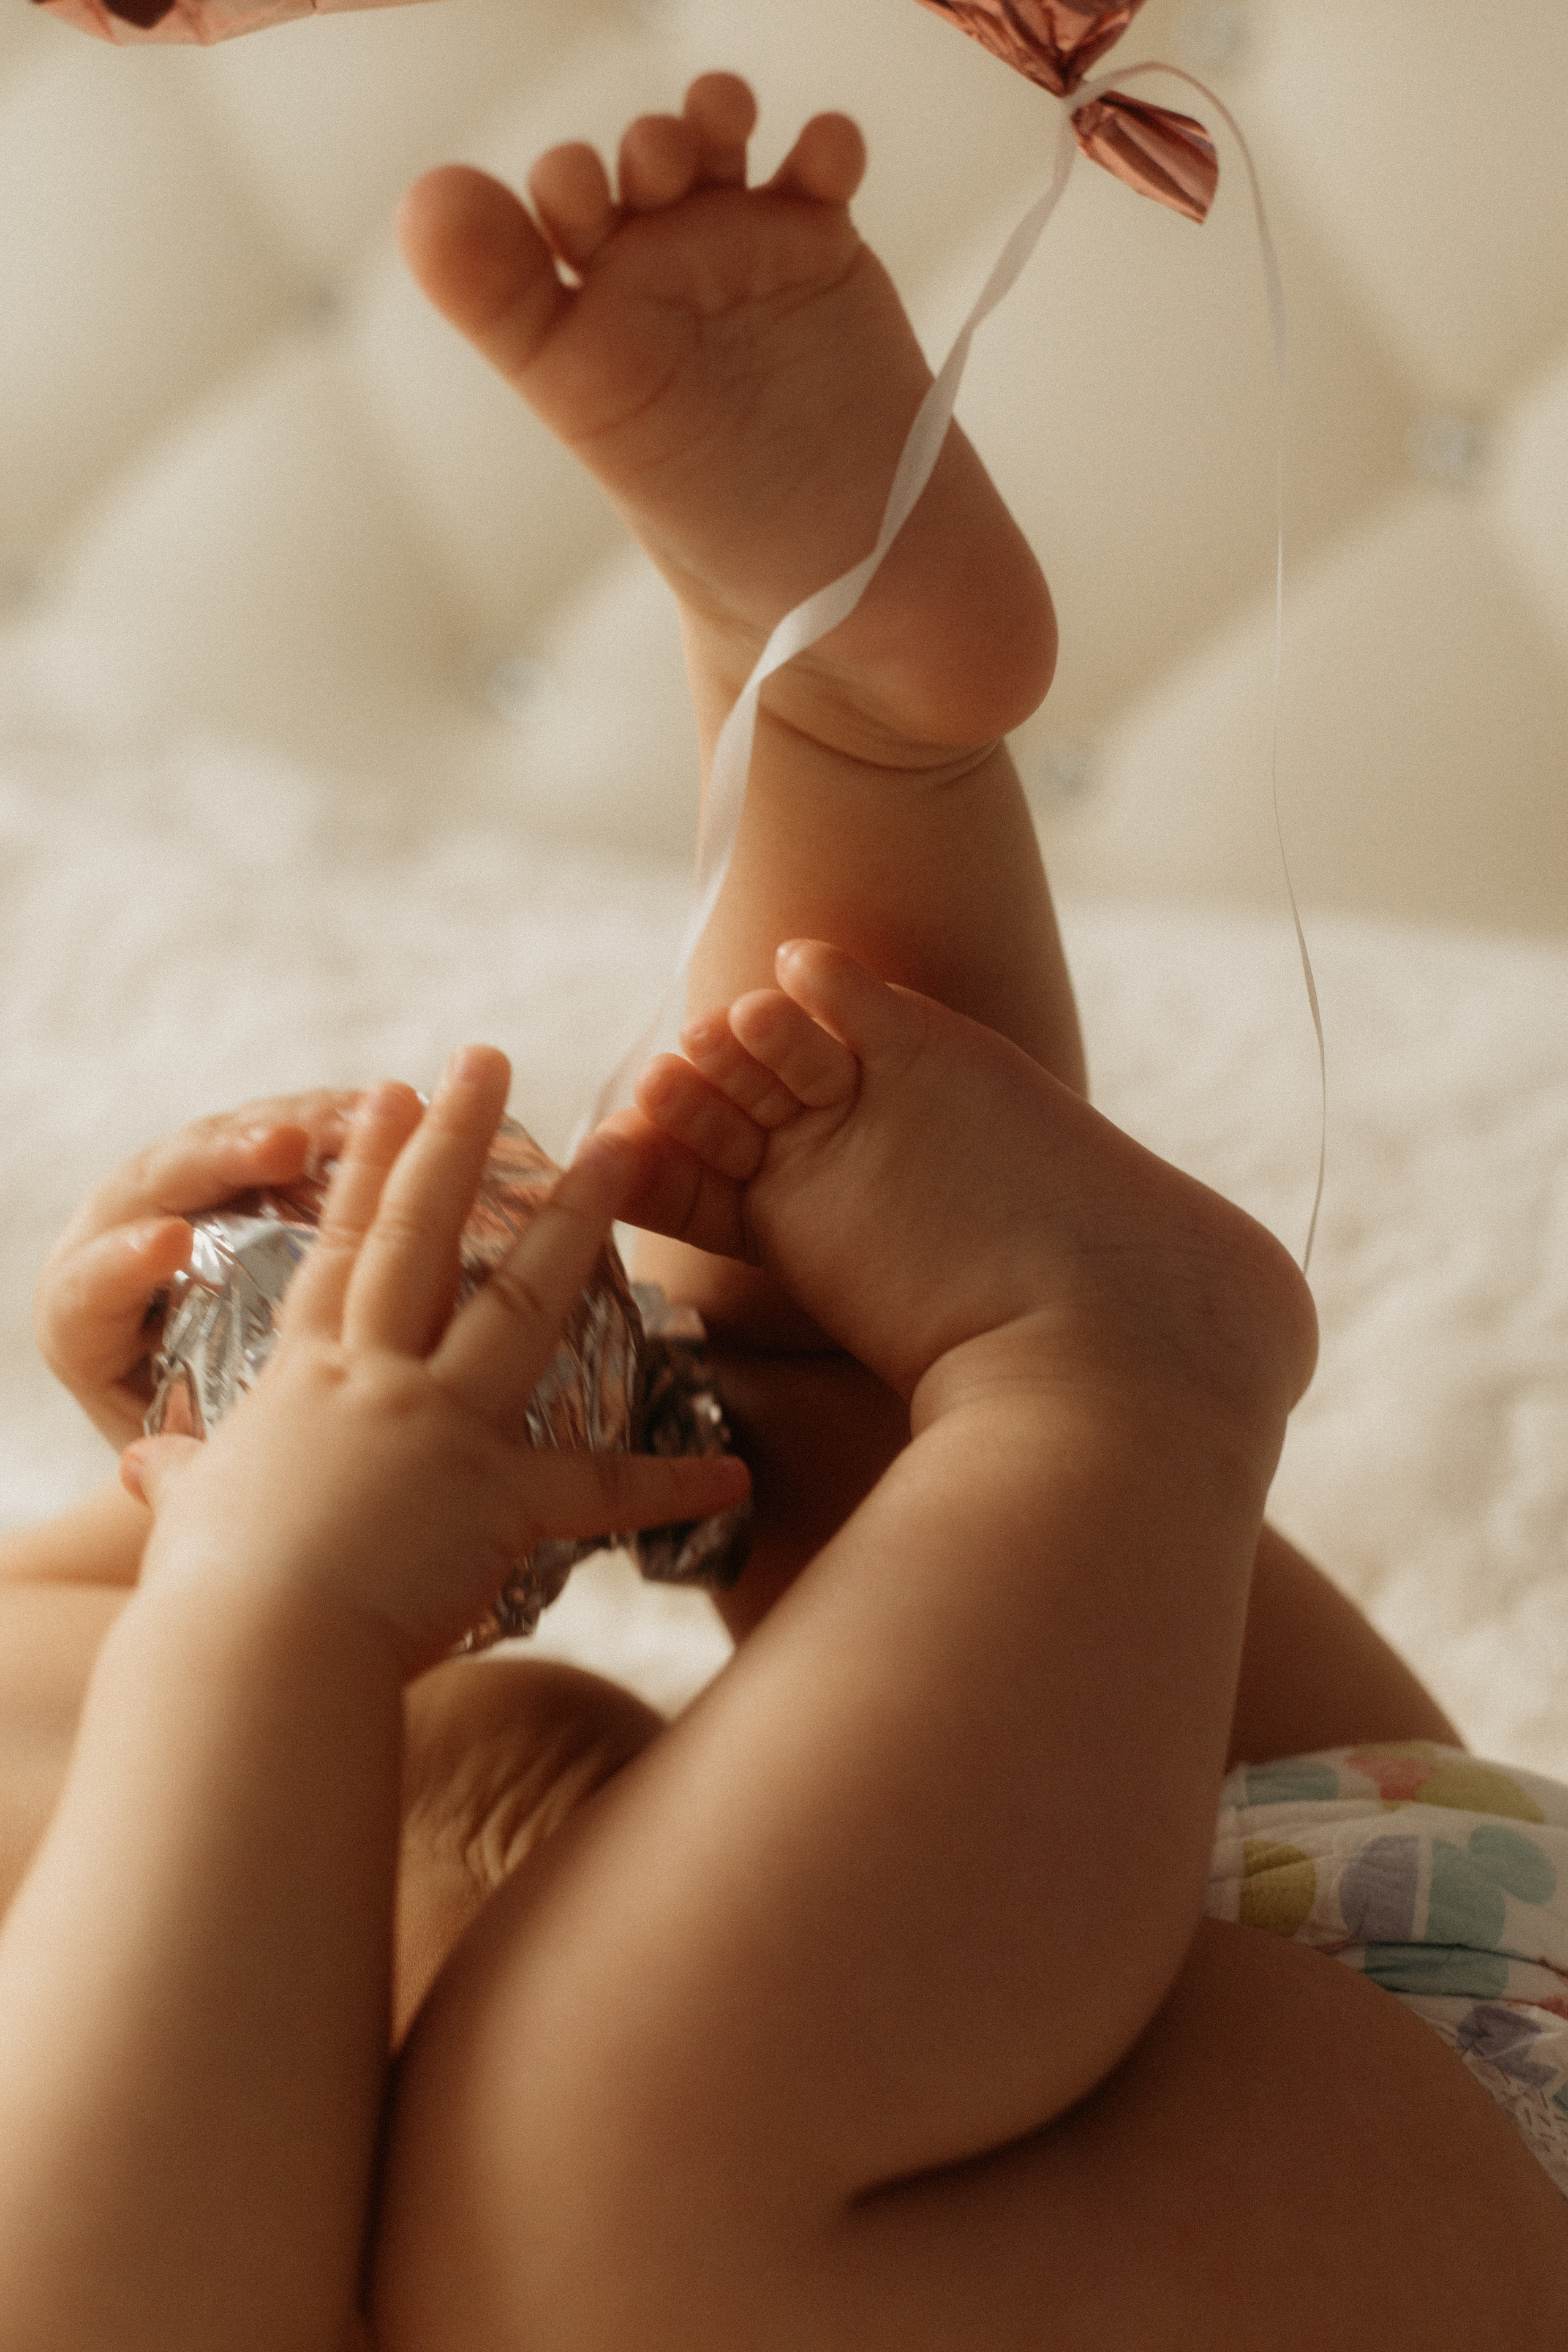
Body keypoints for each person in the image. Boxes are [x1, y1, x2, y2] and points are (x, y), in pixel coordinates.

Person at [1, 69, 1566, 2352]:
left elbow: (139, 1651)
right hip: (1258, 2173)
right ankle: (1102, 1376)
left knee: (767, 1414)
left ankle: (840, 703)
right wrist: (277, 1600)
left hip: (1087, 1969)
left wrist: (224, 1436)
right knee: (591, 2205)